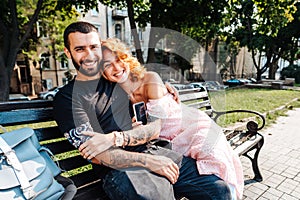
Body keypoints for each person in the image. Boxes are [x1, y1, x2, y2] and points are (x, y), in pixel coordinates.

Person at [54, 21, 232, 200]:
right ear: (68, 52)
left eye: (94, 47)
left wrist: (164, 88)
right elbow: (96, 154)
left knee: (219, 190)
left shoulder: (114, 80)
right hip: (121, 169)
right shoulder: (68, 99)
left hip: (155, 150)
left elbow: (154, 125)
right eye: (80, 49)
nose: (90, 55)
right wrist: (149, 162)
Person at [92, 37, 244, 200]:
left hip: (190, 128)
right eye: (107, 65)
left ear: (126, 59)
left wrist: (131, 134)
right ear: (102, 72)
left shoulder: (150, 79)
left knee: (216, 171)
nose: (116, 67)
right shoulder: (116, 95)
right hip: (168, 141)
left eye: (118, 59)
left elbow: (154, 127)